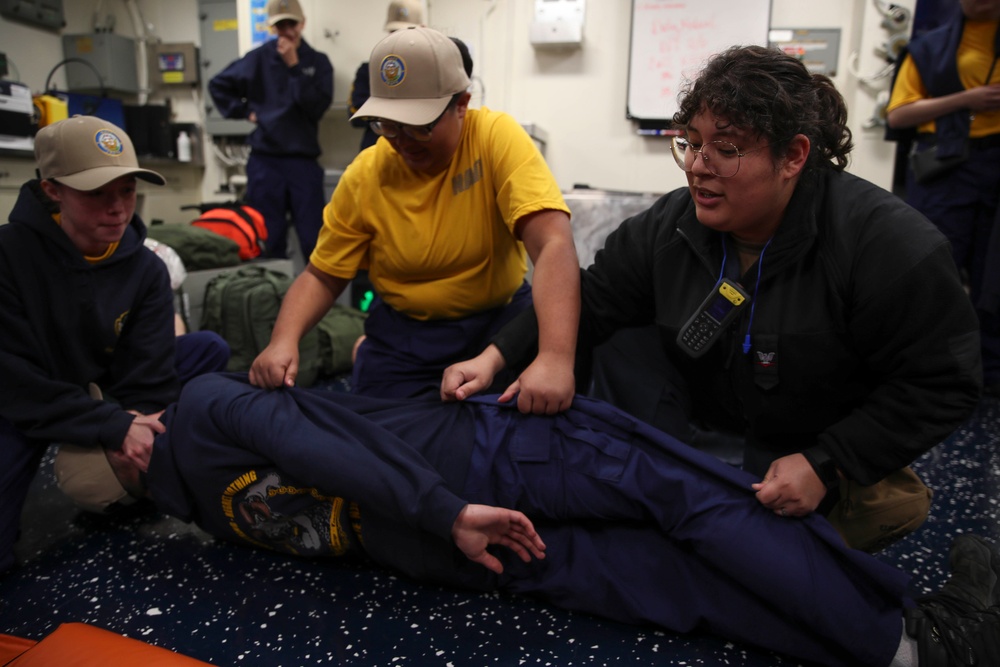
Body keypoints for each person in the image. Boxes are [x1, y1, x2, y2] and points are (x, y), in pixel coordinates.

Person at [55, 372, 1000, 667]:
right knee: (694, 495)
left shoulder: (210, 515)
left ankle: (893, 655)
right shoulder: (208, 405)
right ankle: (919, 631)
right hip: (468, 469)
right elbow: (324, 447)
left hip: (438, 554)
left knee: (666, 583)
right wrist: (449, 504)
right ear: (134, 443)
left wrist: (445, 525)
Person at [442, 45, 983, 542]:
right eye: (691, 144)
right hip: (709, 432)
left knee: (809, 564)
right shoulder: (671, 227)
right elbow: (592, 296)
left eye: (725, 149)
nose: (699, 168)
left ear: (793, 157)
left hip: (811, 446)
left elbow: (943, 382)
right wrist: (496, 357)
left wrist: (827, 463)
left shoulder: (887, 245)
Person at [250, 27, 580, 405]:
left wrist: (555, 357)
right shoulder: (367, 172)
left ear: (461, 104)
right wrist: (283, 341)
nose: (403, 140)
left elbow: (553, 240)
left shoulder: (493, 138)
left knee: (504, 439)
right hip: (403, 338)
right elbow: (322, 275)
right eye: (387, 125)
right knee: (375, 438)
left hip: (498, 325)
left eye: (419, 126)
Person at [0, 115, 231, 573]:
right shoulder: (8, 257)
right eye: (97, 194)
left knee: (206, 348)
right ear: (52, 190)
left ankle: (135, 476)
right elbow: (13, 380)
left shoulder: (144, 268)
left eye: (126, 190)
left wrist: (139, 425)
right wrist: (110, 425)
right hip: (24, 396)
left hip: (98, 385)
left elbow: (149, 373)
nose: (118, 209)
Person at [885, 0, 1000, 396]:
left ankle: (989, 372)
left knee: (993, 274)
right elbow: (898, 113)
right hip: (946, 166)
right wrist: (969, 100)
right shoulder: (931, 46)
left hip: (994, 162)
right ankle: (928, 370)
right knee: (934, 267)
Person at [208, 0, 334, 262]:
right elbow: (218, 84)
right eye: (280, 25)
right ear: (272, 27)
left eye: (291, 24)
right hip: (266, 162)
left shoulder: (318, 62)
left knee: (315, 240)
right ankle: (271, 297)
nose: (286, 30)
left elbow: (316, 107)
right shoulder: (258, 58)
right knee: (267, 239)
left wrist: (294, 66)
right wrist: (244, 112)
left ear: (302, 24)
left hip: (303, 162)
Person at [348, 0, 425, 152]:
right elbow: (355, 113)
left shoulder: (428, 69)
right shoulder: (369, 70)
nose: (398, 39)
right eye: (393, 33)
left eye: (406, 32)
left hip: (416, 150)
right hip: (376, 149)